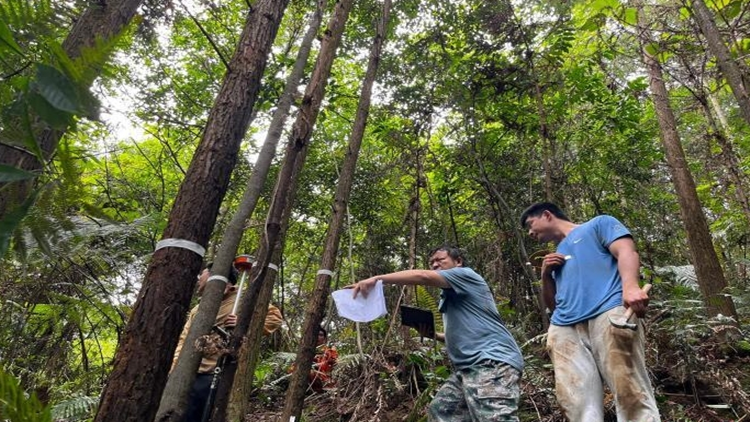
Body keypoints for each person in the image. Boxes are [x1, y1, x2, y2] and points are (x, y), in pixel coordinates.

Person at [520, 202, 660, 421]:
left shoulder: (598, 224)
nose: (530, 233)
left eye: (530, 224)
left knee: (629, 390)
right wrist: (546, 274)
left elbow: (626, 250)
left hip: (609, 314)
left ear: (547, 215)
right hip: (565, 326)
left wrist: (631, 286)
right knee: (575, 400)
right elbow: (553, 305)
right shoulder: (557, 254)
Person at [351, 245, 524, 421]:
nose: (434, 264)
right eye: (431, 262)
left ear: (458, 262)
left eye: (440, 260)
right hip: (467, 368)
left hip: (491, 362)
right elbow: (460, 335)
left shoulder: (465, 274)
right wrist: (432, 335)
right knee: (442, 412)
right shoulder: (449, 295)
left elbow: (423, 276)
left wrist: (377, 279)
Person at [173, 262, 283, 422]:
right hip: (186, 372)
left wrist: (243, 324)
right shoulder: (198, 309)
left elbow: (274, 317)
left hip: (214, 373)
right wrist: (174, 367)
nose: (198, 279)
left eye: (201, 275)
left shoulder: (243, 298)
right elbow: (184, 339)